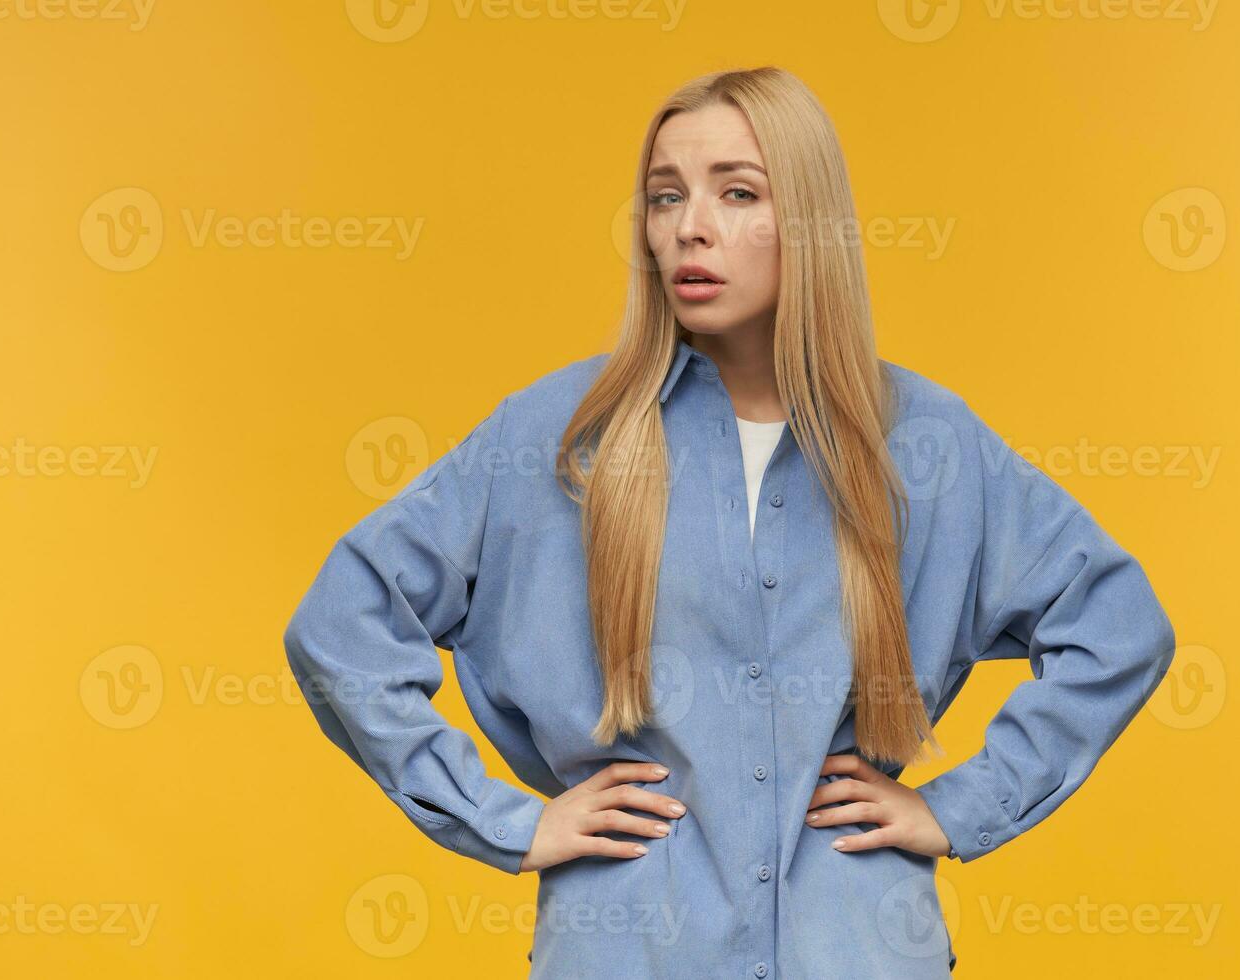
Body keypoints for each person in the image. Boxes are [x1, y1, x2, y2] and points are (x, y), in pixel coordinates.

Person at [283, 65, 1176, 979]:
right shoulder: (554, 438)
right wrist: (504, 820)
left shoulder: (930, 444)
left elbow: (1117, 626)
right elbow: (343, 624)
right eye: (664, 197)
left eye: (737, 192)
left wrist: (962, 806)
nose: (688, 228)